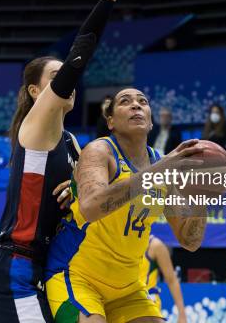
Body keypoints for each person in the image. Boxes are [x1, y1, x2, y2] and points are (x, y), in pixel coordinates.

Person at [0, 0, 151, 323]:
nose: (67, 83)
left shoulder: (74, 142)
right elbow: (81, 51)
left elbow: (90, 199)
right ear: (37, 92)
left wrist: (75, 188)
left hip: (46, 267)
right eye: (55, 78)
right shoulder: (35, 129)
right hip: (13, 268)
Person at [45, 87, 214, 322]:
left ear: (151, 122)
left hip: (128, 287)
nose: (136, 105)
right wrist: (160, 169)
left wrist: (201, 197)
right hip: (77, 276)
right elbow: (91, 208)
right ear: (111, 121)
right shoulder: (99, 151)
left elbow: (189, 241)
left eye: (143, 101)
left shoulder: (162, 166)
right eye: (126, 101)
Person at [140, 235, 187, 322]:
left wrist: (182, 314)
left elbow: (172, 280)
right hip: (122, 304)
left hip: (148, 306)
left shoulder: (155, 246)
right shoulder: (119, 244)